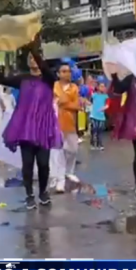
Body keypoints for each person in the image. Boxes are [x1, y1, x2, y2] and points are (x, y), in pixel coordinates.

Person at [0, 40, 62, 209]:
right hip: (26, 128)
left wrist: (31, 45)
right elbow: (0, 78)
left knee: (43, 164)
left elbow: (44, 67)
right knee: (27, 164)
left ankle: (43, 192)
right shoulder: (23, 79)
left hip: (44, 128)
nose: (33, 60)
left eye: (35, 58)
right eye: (30, 58)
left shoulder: (49, 78)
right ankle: (29, 195)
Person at [54, 63, 82, 193]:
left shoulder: (74, 88)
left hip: (70, 123)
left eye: (69, 71)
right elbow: (52, 102)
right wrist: (63, 102)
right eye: (64, 71)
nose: (67, 73)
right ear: (58, 74)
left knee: (73, 150)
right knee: (59, 152)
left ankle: (69, 171)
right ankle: (59, 179)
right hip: (55, 123)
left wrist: (63, 102)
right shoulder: (54, 86)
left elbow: (77, 106)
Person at [89, 81, 109, 150]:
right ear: (98, 87)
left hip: (101, 116)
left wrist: (105, 107)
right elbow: (89, 101)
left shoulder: (106, 96)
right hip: (94, 116)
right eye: (101, 86)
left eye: (103, 86)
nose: (102, 88)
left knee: (100, 131)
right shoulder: (94, 95)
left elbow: (108, 104)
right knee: (94, 130)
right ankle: (92, 143)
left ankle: (99, 144)